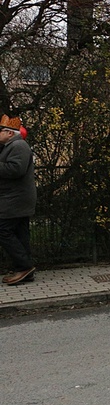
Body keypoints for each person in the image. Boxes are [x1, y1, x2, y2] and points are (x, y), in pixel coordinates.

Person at [0, 115, 37, 285]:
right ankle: (25, 270)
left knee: (3, 230)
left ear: (9, 132)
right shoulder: (12, 145)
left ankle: (24, 266)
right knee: (20, 233)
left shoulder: (18, 145)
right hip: (18, 198)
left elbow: (16, 169)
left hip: (15, 199)